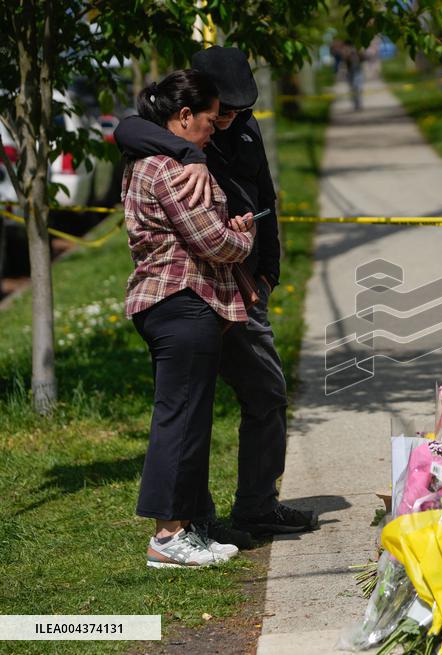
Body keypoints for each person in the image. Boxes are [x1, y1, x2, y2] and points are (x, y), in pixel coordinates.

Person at [115, 47, 317, 548]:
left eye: (234, 112)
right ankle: (188, 525)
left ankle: (255, 505)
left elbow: (265, 196)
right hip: (196, 288)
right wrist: (191, 154)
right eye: (218, 113)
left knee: (263, 394)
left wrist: (267, 271)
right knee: (187, 410)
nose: (224, 121)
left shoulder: (241, 128)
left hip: (242, 285)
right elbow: (126, 128)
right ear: (195, 107)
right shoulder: (170, 140)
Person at [124, 69, 258, 568]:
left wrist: (228, 227)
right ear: (184, 117)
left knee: (188, 417)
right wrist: (242, 237)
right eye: (207, 120)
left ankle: (189, 526)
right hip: (180, 301)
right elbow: (212, 242)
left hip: (177, 302)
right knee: (178, 419)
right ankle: (167, 535)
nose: (213, 129)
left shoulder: (157, 160)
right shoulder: (168, 168)